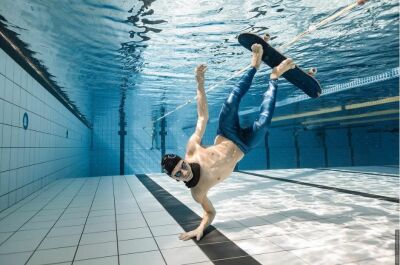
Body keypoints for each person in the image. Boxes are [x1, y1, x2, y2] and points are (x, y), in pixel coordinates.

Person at [161, 40, 295, 241]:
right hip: (244, 145)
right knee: (265, 122)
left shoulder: (192, 150)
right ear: (175, 179)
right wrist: (200, 228)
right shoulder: (198, 193)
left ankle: (254, 65)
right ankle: (274, 76)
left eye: (181, 166)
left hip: (227, 132)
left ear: (183, 160)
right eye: (178, 174)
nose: (183, 171)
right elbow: (210, 213)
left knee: (231, 101)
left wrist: (199, 83)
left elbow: (202, 117)